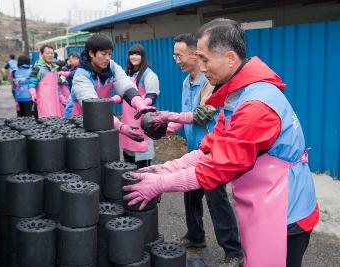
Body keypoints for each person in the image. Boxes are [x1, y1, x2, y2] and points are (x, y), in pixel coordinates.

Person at [123, 18, 319, 267]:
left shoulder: (255, 105)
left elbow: (217, 167)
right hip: (266, 202)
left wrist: (161, 184)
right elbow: (212, 146)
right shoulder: (237, 94)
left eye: (204, 59)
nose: (201, 67)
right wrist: (167, 168)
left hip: (286, 212)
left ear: (229, 58)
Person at [146, 33, 243, 266]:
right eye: (174, 56)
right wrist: (171, 127)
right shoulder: (185, 82)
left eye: (179, 55)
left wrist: (171, 116)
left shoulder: (210, 81)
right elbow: (186, 112)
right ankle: (196, 236)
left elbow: (202, 115)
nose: (176, 60)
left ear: (194, 54)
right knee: (190, 198)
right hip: (193, 150)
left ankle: (233, 252)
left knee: (217, 203)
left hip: (212, 153)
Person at [64, 33, 155, 141]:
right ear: (91, 53)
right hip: (78, 117)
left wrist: (139, 103)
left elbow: (124, 84)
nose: (107, 58)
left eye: (110, 54)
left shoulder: (110, 66)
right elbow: (93, 107)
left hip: (101, 114)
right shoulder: (81, 76)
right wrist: (120, 126)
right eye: (103, 54)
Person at [117, 44, 160, 168]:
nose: (134, 57)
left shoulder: (149, 75)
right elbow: (123, 95)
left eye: (137, 54)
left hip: (143, 121)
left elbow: (152, 96)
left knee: (142, 165)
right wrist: (114, 99)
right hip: (127, 120)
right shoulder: (127, 74)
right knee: (128, 161)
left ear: (143, 56)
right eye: (131, 54)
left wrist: (142, 105)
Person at [28, 45, 63, 118]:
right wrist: (32, 92)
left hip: (55, 102)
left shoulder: (55, 68)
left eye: (52, 53)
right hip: (44, 103)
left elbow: (57, 86)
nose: (50, 55)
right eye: (47, 53)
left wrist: (61, 95)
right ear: (41, 54)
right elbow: (31, 82)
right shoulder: (37, 68)